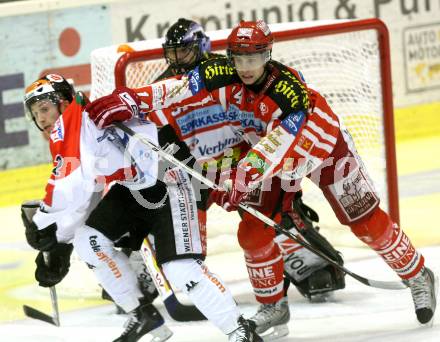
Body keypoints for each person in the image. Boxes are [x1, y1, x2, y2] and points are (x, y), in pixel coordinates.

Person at [85, 18, 437, 337]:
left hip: (322, 149)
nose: (245, 67)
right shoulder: (220, 71)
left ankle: (418, 275)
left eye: (253, 58)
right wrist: (131, 100)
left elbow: (277, 143)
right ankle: (274, 306)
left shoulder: (288, 92)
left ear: (268, 54)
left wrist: (240, 178)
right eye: (238, 58)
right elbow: (175, 88)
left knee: (365, 224)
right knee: (252, 234)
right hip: (268, 162)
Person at [23, 74, 261, 342]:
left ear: (64, 103)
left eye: (45, 108)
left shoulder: (73, 123)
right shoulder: (76, 125)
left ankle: (241, 330)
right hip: (136, 188)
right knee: (88, 240)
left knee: (180, 269)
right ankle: (144, 316)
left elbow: (67, 188)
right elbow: (88, 189)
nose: (41, 118)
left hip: (170, 181)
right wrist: (62, 241)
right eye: (35, 113)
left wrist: (46, 229)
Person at [156, 16, 346, 304]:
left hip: (241, 160)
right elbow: (156, 126)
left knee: (271, 216)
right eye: (173, 52)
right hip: (195, 166)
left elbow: (270, 109)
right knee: (169, 210)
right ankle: (160, 279)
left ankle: (308, 265)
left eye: (183, 50)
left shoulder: (230, 70)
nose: (178, 58)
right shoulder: (166, 84)